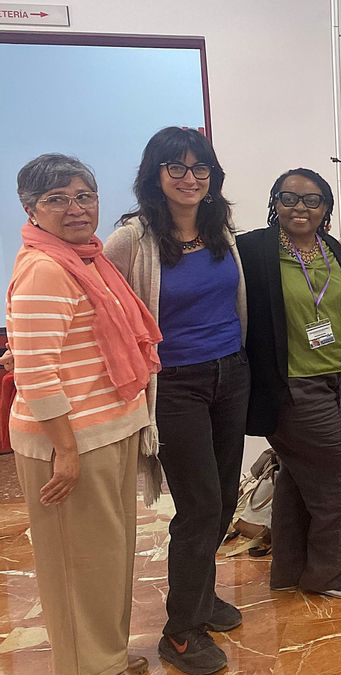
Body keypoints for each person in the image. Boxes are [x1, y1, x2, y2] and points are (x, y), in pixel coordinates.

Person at [8, 154, 159, 674]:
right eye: (56, 199)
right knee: (79, 566)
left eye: (84, 196)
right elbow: (36, 376)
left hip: (106, 431)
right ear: (30, 209)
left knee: (108, 560)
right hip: (70, 442)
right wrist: (67, 451)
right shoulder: (46, 269)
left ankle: (108, 659)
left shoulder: (90, 259)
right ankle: (90, 667)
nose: (75, 208)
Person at [106, 127, 249, 673]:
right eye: (177, 168)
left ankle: (201, 596)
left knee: (226, 495)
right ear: (155, 174)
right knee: (199, 506)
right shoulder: (132, 240)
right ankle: (180, 633)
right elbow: (105, 312)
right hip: (176, 385)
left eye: (200, 169)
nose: (190, 179)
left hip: (231, 374)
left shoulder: (220, 230)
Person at [237, 168, 341, 599]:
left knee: (297, 476)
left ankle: (291, 570)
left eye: (312, 200)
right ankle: (329, 575)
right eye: (290, 198)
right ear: (274, 202)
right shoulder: (253, 250)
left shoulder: (329, 247)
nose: (300, 207)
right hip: (291, 384)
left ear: (326, 209)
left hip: (334, 378)